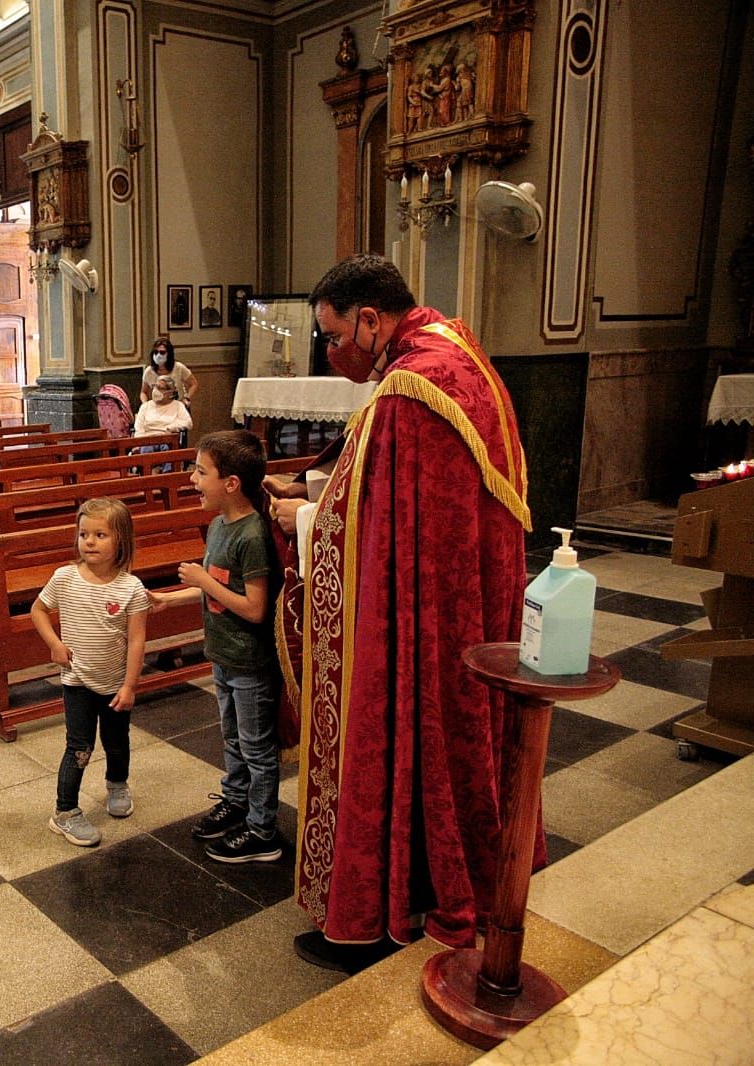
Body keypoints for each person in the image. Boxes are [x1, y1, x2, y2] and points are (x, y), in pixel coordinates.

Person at [269, 254, 530, 972]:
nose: (330, 352)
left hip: (426, 614)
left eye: (331, 336)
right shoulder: (452, 347)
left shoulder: (412, 390)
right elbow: (397, 493)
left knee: (403, 725)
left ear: (370, 320)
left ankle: (388, 904)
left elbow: (376, 537)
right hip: (468, 596)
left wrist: (303, 517)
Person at [150, 431, 282, 863]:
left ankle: (262, 830)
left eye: (201, 471)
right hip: (223, 654)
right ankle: (237, 803)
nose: (192, 479)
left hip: (249, 660)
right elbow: (219, 587)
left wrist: (203, 582)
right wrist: (171, 598)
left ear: (231, 483)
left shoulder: (252, 535)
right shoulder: (220, 525)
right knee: (232, 739)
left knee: (256, 747)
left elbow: (255, 608)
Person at [31, 498, 148, 848]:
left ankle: (117, 785)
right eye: (84, 534)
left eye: (100, 534)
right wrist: (53, 643)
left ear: (121, 541)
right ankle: (65, 812)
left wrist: (129, 686)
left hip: (115, 683)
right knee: (79, 747)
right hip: (78, 681)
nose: (90, 542)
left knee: (116, 742)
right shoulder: (65, 578)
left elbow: (137, 641)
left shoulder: (131, 588)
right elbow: (38, 610)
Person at [138, 338, 197, 405]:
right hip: (158, 407)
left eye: (162, 352)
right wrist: (145, 405)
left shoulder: (179, 367)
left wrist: (187, 398)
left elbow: (193, 384)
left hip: (178, 406)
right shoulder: (149, 371)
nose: (158, 355)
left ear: (169, 354)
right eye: (156, 352)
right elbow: (143, 392)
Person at [132, 375, 193, 441]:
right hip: (146, 440)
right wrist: (138, 443)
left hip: (167, 439)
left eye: (160, 388)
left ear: (170, 393)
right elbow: (138, 428)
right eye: (155, 386)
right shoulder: (145, 406)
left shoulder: (178, 405)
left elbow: (188, 423)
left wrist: (172, 428)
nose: (155, 390)